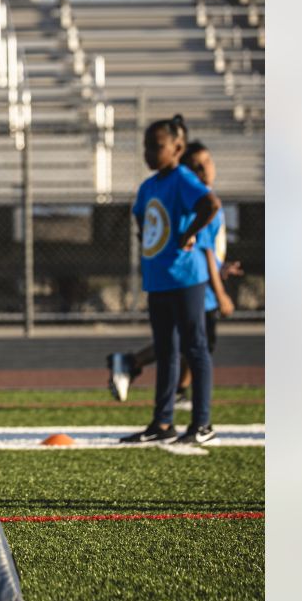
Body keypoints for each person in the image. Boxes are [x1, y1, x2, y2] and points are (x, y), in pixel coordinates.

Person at [106, 141, 241, 405]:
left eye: (208, 163)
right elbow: (200, 250)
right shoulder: (198, 204)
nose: (205, 170)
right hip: (195, 285)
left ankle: (166, 388)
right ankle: (182, 403)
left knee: (184, 344)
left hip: (197, 282)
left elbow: (206, 249)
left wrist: (220, 268)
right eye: (197, 167)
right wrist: (221, 292)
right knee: (192, 345)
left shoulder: (204, 199)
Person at [119, 116, 222, 446]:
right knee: (166, 351)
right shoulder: (149, 185)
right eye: (147, 145)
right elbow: (139, 213)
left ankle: (202, 423)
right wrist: (143, 235)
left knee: (195, 348)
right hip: (159, 279)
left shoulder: (182, 178)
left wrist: (188, 232)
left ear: (177, 148)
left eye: (157, 146)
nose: (149, 152)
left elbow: (211, 204)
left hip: (186, 277)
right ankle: (162, 422)